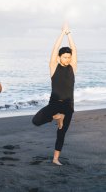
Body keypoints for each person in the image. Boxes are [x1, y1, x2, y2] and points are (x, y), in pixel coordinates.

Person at [32, 23, 77, 165]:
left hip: (68, 105)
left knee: (61, 133)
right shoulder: (53, 67)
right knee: (36, 121)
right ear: (59, 58)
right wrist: (62, 33)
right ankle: (57, 117)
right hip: (54, 103)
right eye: (64, 57)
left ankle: (55, 159)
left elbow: (74, 50)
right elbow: (54, 49)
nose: (67, 59)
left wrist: (69, 34)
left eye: (69, 57)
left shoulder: (72, 68)